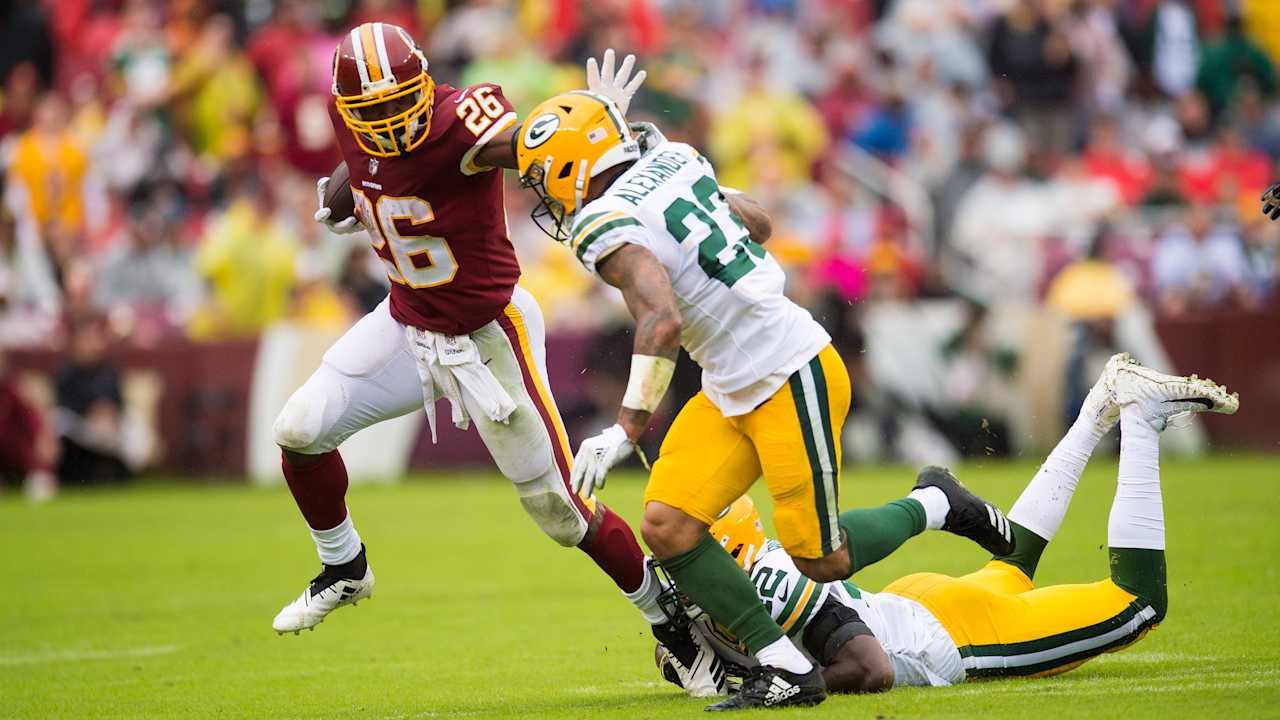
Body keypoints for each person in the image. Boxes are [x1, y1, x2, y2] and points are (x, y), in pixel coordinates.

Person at [514, 92, 1014, 710]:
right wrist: (662, 174)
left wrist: (625, 427)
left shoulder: (601, 221)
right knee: (668, 526)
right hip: (728, 382)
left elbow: (662, 319)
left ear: (570, 165)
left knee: (821, 560)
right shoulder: (680, 159)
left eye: (543, 177)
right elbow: (759, 223)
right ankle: (781, 666)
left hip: (787, 372)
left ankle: (934, 501)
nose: (546, 195)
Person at [269, 23, 688, 677]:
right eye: (369, 113)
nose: (384, 123)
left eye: (395, 106)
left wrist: (596, 129)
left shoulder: (465, 122)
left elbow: (532, 151)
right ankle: (344, 564)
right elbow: (374, 163)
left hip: (490, 333)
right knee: (298, 427)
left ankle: (678, 630)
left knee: (560, 511)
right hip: (407, 325)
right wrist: (346, 192)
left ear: (426, 85)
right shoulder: (352, 118)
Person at [656, 353, 1238, 695]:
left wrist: (793, 680)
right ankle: (1097, 409)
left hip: (943, 637)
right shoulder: (734, 577)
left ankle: (1141, 418)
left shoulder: (764, 583)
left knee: (1138, 602)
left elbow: (870, 668)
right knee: (1013, 565)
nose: (682, 573)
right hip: (911, 606)